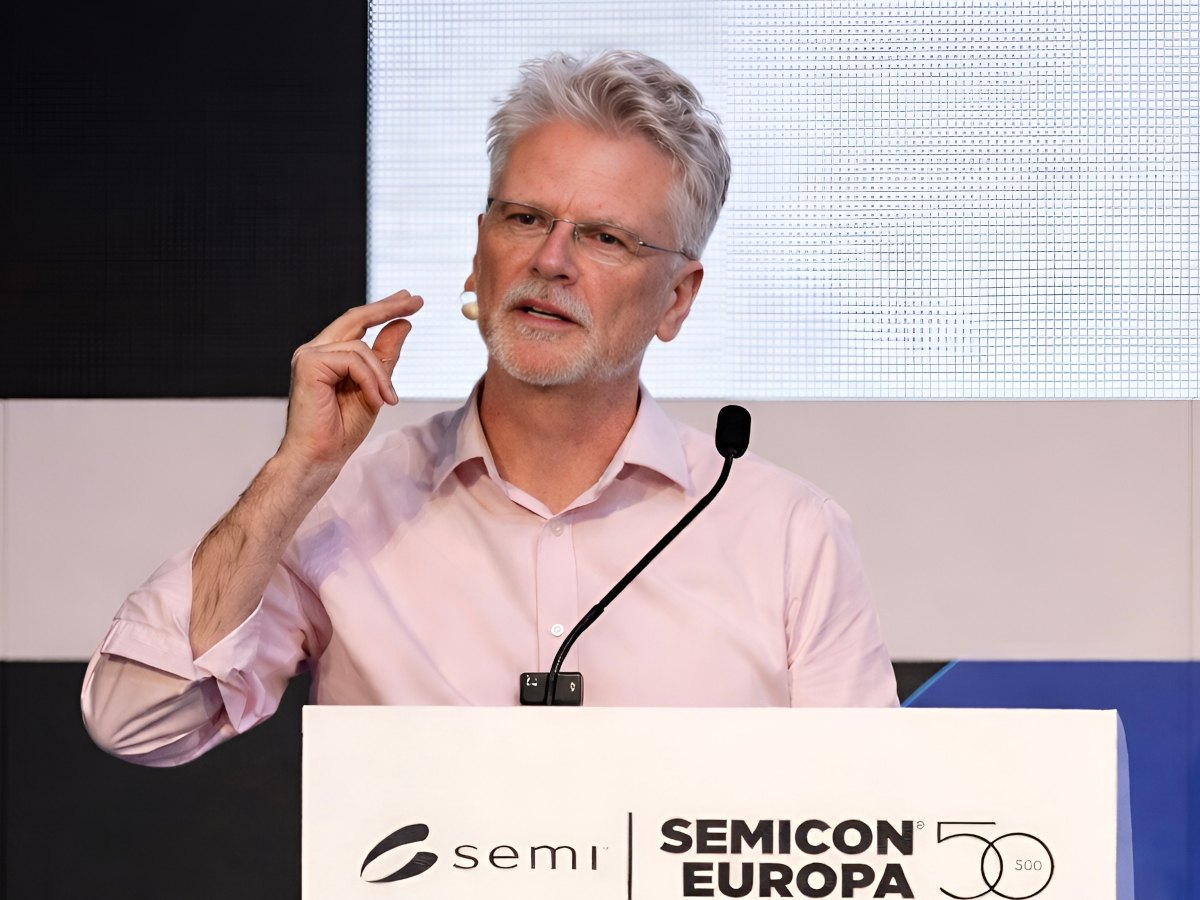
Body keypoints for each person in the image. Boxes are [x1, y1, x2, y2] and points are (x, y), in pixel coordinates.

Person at [82, 50, 897, 766]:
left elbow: (870, 820)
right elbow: (134, 723)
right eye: (526, 218)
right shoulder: (345, 508)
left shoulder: (788, 535)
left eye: (606, 238)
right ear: (479, 255)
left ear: (676, 299)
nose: (550, 260)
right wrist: (295, 474)